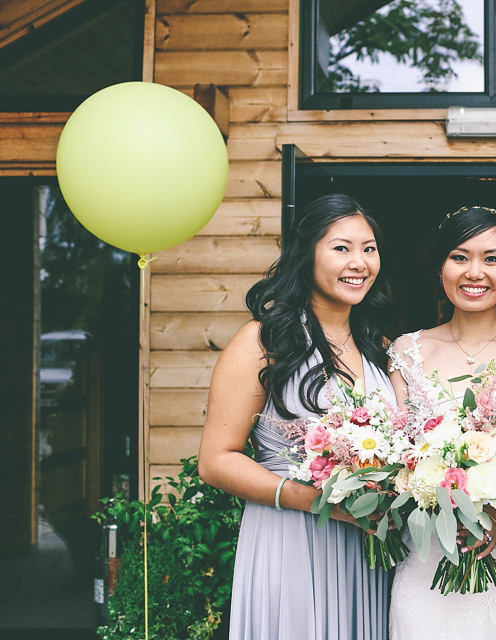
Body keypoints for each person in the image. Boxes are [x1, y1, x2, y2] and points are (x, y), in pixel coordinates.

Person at [198, 194, 395, 640]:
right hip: (289, 538)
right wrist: (320, 502)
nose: (359, 262)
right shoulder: (262, 341)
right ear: (306, 254)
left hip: (367, 547)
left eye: (369, 248)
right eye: (341, 248)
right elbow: (215, 460)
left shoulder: (379, 347)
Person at [387, 206, 496, 640]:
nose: (474, 272)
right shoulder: (405, 352)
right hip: (429, 557)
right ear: (441, 268)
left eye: (492, 258)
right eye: (460, 257)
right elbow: (397, 456)